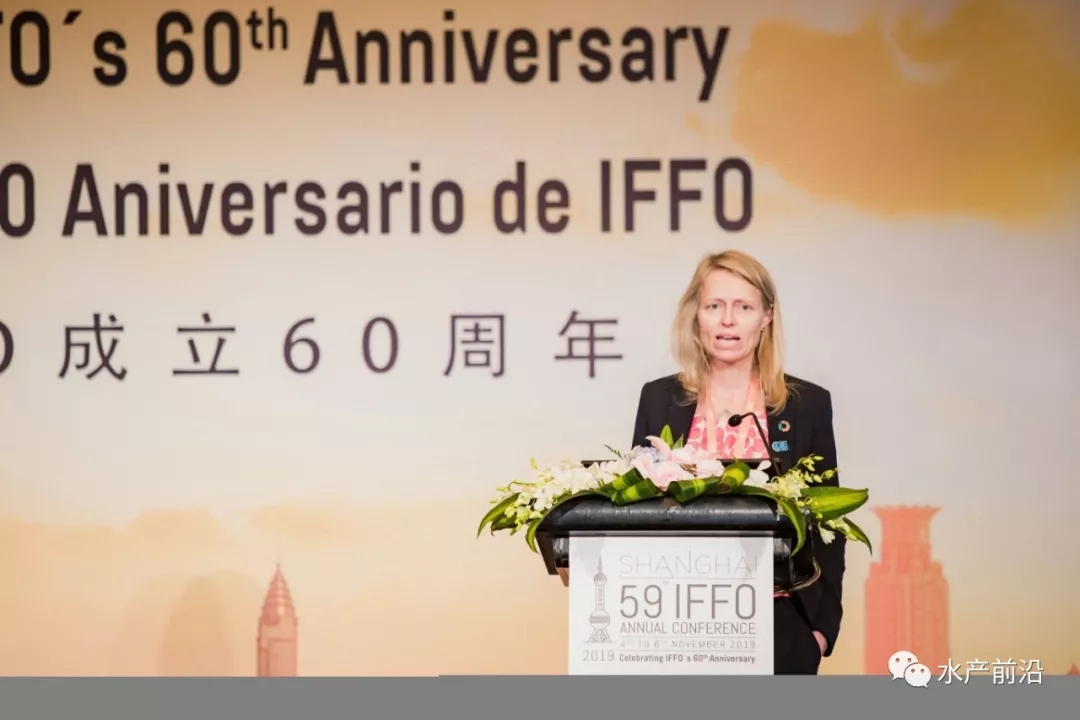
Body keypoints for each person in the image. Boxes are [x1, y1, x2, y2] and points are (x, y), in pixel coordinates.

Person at [631, 249, 846, 675]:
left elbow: (828, 523)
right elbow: (636, 513)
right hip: (677, 621)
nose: (727, 320)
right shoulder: (660, 399)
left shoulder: (806, 405)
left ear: (766, 316)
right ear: (697, 315)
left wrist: (821, 628)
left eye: (743, 307)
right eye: (714, 306)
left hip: (780, 620)